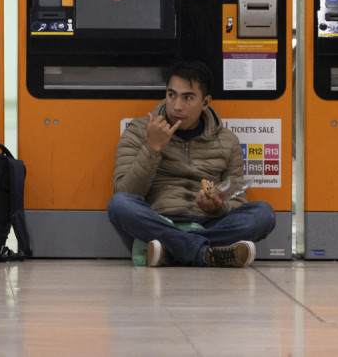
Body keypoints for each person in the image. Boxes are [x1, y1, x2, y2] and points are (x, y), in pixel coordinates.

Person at [108, 60, 276, 268]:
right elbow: (125, 191)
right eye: (171, 95)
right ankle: (205, 253)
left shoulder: (226, 140)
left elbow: (238, 200)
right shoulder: (140, 130)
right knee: (119, 204)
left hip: (206, 224)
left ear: (206, 102)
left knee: (263, 214)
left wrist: (217, 207)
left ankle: (170, 251)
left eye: (188, 97)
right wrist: (152, 148)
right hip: (158, 221)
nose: (177, 106)